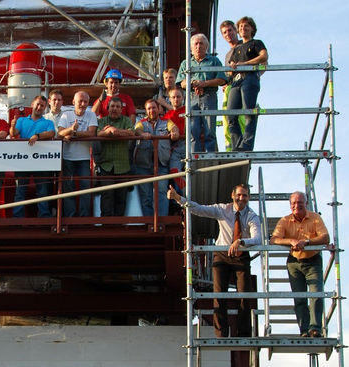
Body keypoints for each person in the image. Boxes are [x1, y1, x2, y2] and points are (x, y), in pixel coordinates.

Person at [168, 184, 260, 337]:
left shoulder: (252, 215)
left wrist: (241, 242)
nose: (241, 198)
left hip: (241, 254)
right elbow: (198, 209)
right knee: (219, 294)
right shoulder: (223, 209)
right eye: (239, 195)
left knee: (245, 295)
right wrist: (178, 198)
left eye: (244, 195)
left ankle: (244, 334)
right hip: (222, 255)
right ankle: (221, 333)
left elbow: (257, 237)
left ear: (248, 197)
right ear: (232, 195)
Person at [270, 191, 329, 337]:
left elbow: (325, 237)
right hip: (294, 262)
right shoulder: (285, 220)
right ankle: (304, 330)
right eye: (294, 203)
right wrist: (291, 241)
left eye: (300, 202)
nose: (297, 205)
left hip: (313, 261)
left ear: (306, 203)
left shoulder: (315, 218)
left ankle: (315, 328)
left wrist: (307, 242)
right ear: (290, 206)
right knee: (299, 297)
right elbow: (274, 239)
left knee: (316, 294)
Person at [177, 34, 227, 152]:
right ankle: (194, 156)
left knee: (210, 130)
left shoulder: (214, 61)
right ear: (191, 48)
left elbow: (222, 79)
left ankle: (210, 156)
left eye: (201, 43)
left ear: (206, 46)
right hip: (192, 97)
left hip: (209, 96)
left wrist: (204, 84)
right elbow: (181, 83)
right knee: (193, 130)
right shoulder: (186, 63)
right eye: (196, 44)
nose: (198, 46)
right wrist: (193, 83)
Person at [9, 95, 56, 217]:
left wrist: (37, 136)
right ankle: (17, 219)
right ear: (32, 104)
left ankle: (44, 217)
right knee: (20, 191)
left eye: (42, 105)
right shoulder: (21, 120)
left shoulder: (48, 122)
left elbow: (51, 132)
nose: (39, 107)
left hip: (41, 162)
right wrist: (13, 126)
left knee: (43, 191)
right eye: (38, 104)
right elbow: (14, 133)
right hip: (23, 161)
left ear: (45, 108)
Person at [227, 16, 268, 151]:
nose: (243, 29)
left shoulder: (256, 43)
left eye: (246, 26)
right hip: (236, 81)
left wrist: (245, 64)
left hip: (250, 78)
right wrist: (231, 68)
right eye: (240, 27)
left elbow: (264, 56)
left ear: (252, 29)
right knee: (231, 114)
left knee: (248, 111)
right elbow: (230, 68)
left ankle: (246, 145)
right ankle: (237, 144)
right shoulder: (237, 48)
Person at [57, 91, 97, 217]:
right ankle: (70, 216)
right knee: (68, 188)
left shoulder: (91, 115)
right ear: (73, 102)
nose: (83, 104)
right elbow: (60, 133)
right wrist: (71, 129)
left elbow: (91, 133)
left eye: (85, 101)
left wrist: (73, 134)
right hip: (67, 157)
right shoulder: (66, 115)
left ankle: (84, 217)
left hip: (84, 158)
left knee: (85, 187)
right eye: (80, 101)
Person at [96, 97, 134, 217]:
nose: (115, 109)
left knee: (121, 196)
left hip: (122, 165)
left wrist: (114, 130)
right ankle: (106, 224)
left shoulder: (127, 120)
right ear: (107, 108)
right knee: (106, 194)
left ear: (122, 109)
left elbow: (131, 132)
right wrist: (108, 132)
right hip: (106, 164)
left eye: (118, 107)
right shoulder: (102, 121)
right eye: (112, 106)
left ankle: (119, 224)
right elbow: (98, 133)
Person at [133, 99, 172, 216]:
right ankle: (149, 222)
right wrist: (142, 134)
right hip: (144, 164)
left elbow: (173, 128)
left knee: (162, 193)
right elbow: (137, 130)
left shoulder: (167, 122)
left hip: (161, 163)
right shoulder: (141, 123)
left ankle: (162, 221)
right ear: (146, 111)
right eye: (149, 108)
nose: (152, 110)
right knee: (146, 195)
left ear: (158, 109)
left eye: (154, 108)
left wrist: (174, 131)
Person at [219, 20, 246, 152]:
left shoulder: (245, 45)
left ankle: (241, 147)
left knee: (240, 118)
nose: (228, 34)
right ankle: (231, 149)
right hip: (231, 88)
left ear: (236, 31)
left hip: (243, 85)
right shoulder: (228, 54)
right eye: (224, 32)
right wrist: (225, 84)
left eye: (230, 30)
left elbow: (263, 62)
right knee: (228, 118)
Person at [162, 87, 186, 193]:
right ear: (170, 99)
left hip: (187, 144)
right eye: (173, 97)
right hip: (174, 147)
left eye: (178, 97)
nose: (176, 99)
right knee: (174, 172)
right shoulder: (167, 116)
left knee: (192, 172)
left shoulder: (188, 111)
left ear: (183, 98)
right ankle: (185, 196)